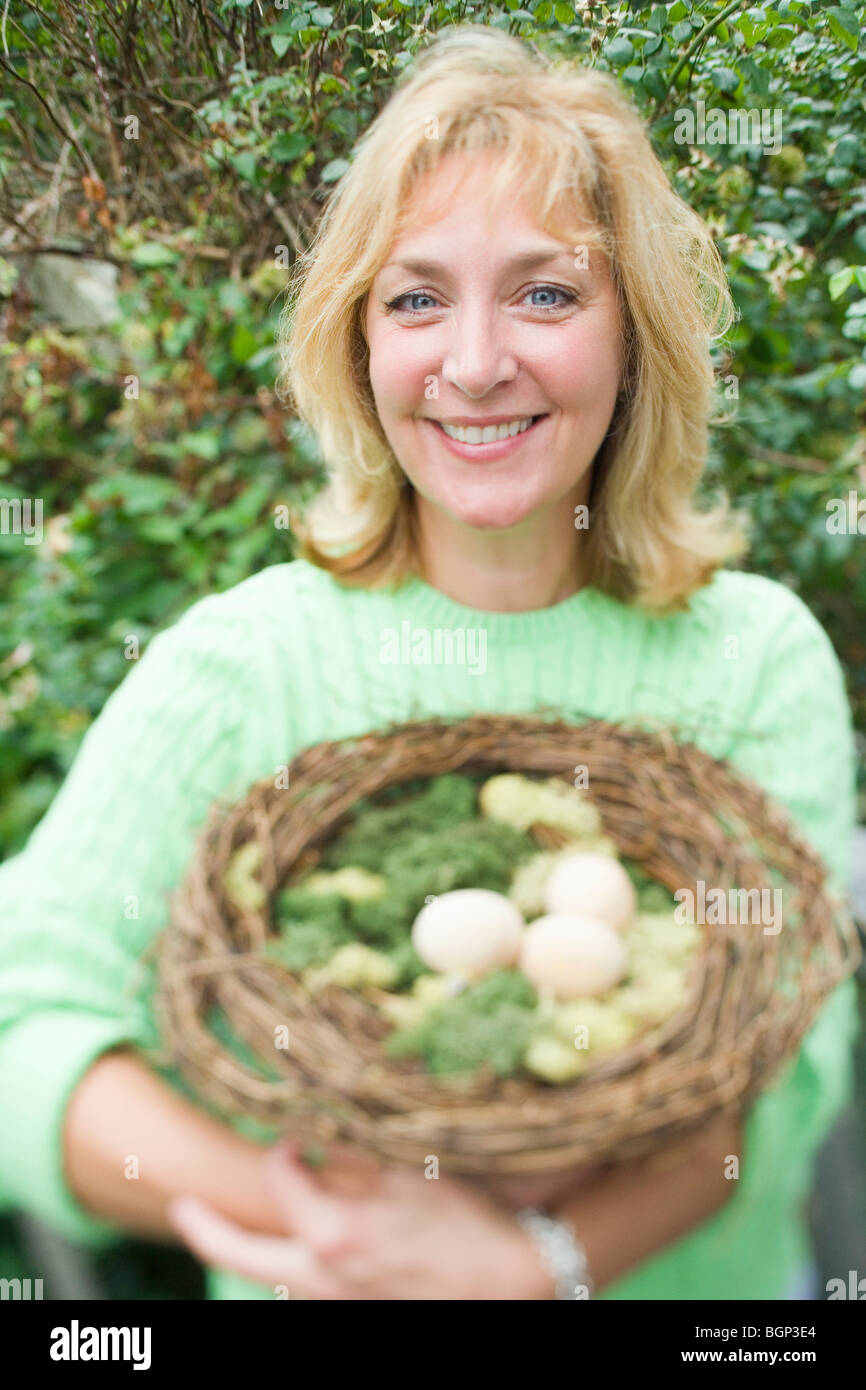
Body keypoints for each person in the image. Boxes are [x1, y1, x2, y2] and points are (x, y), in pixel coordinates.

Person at [0, 25, 857, 1301]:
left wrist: (531, 1263)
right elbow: (24, 1034)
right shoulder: (245, 668)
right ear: (357, 346)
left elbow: (783, 1067)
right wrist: (361, 1235)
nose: (472, 363)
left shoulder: (748, 658)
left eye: (546, 293)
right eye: (414, 298)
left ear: (633, 340)